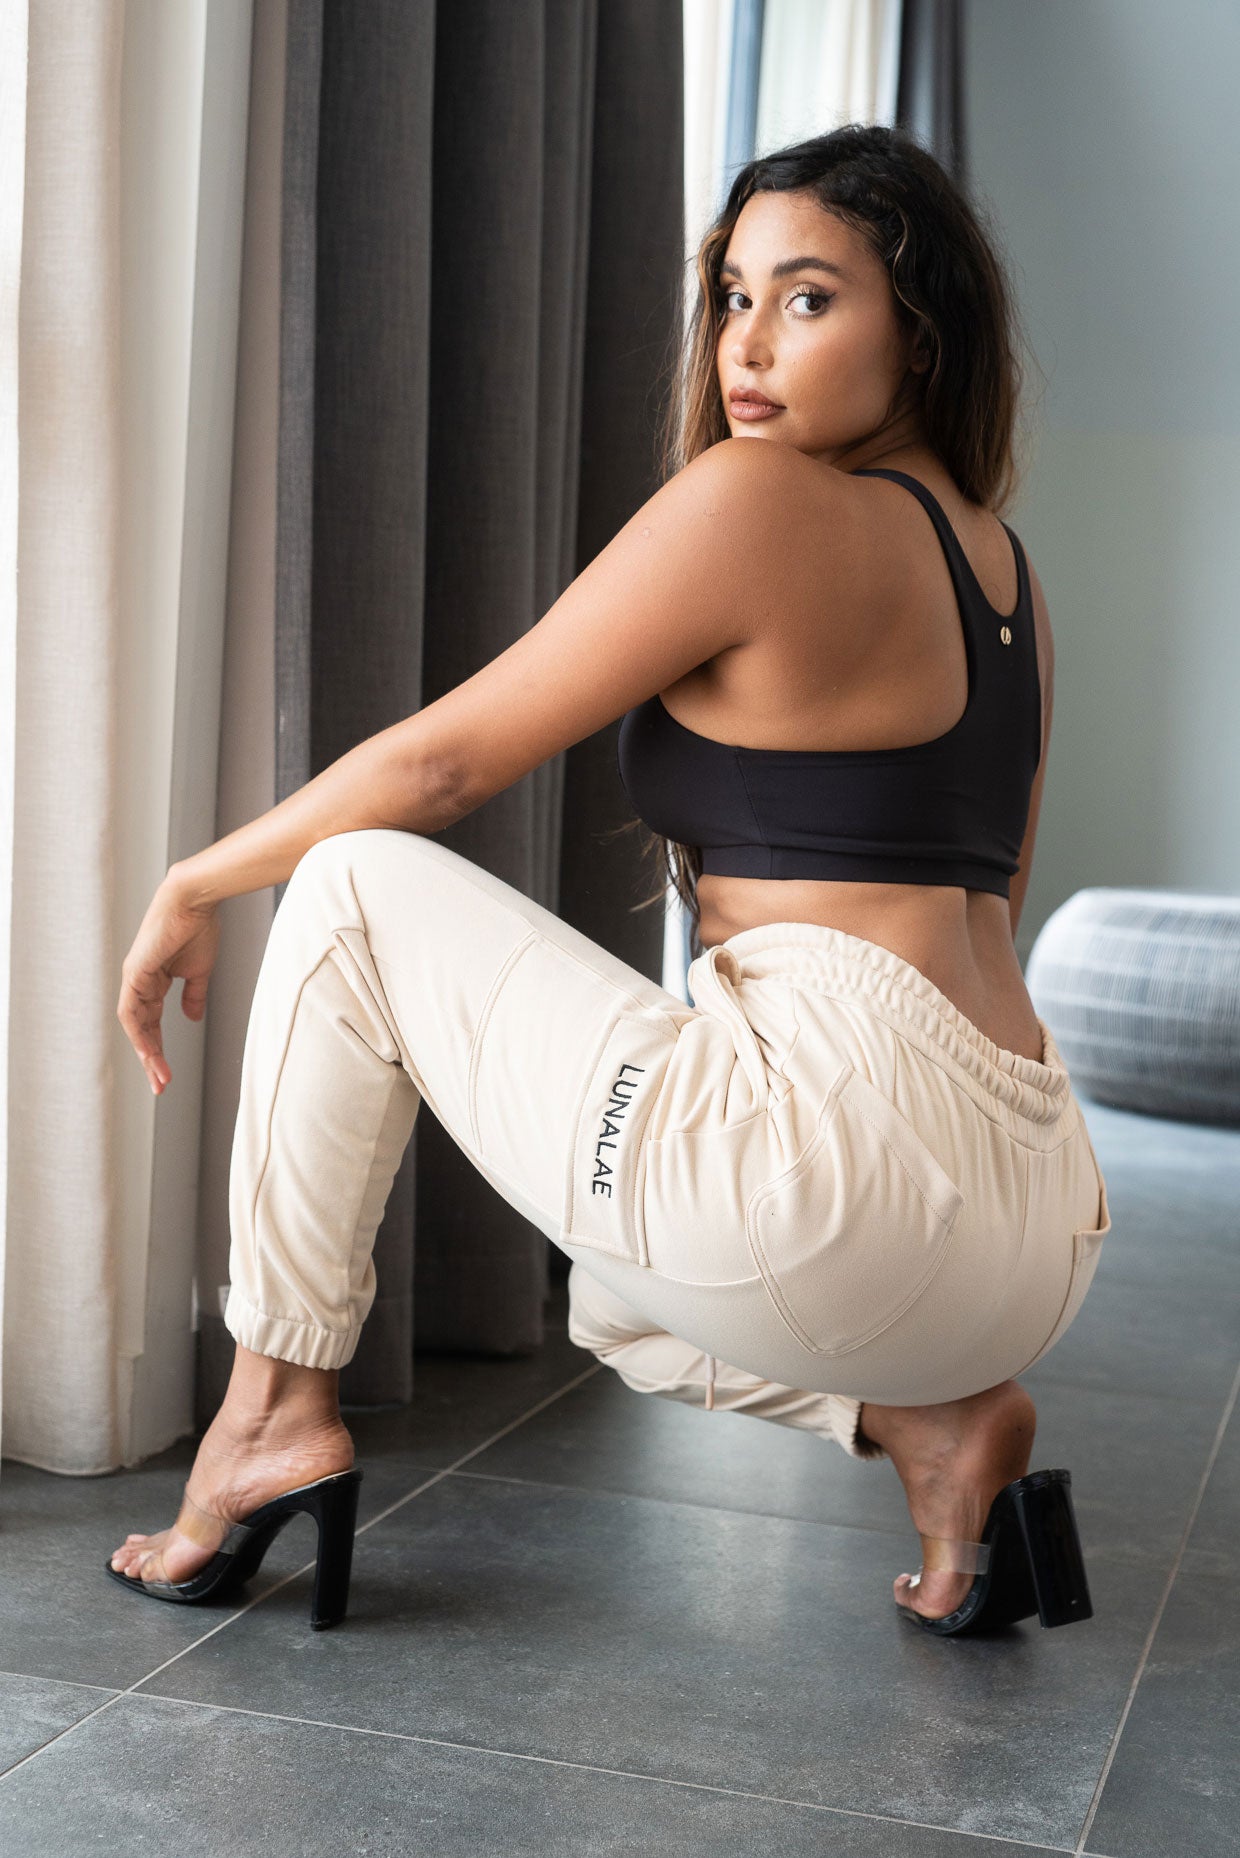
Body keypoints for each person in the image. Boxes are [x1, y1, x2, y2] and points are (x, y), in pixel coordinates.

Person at [109, 123, 1109, 1635]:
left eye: (810, 298)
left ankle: (266, 1416)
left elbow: (444, 768)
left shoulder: (760, 499)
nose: (746, 346)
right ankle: (932, 1422)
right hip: (1035, 1217)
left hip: (846, 1179)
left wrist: (195, 879)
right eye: (733, 296)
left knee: (352, 888)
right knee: (619, 1297)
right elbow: (1000, 907)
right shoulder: (1008, 575)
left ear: (922, 330)